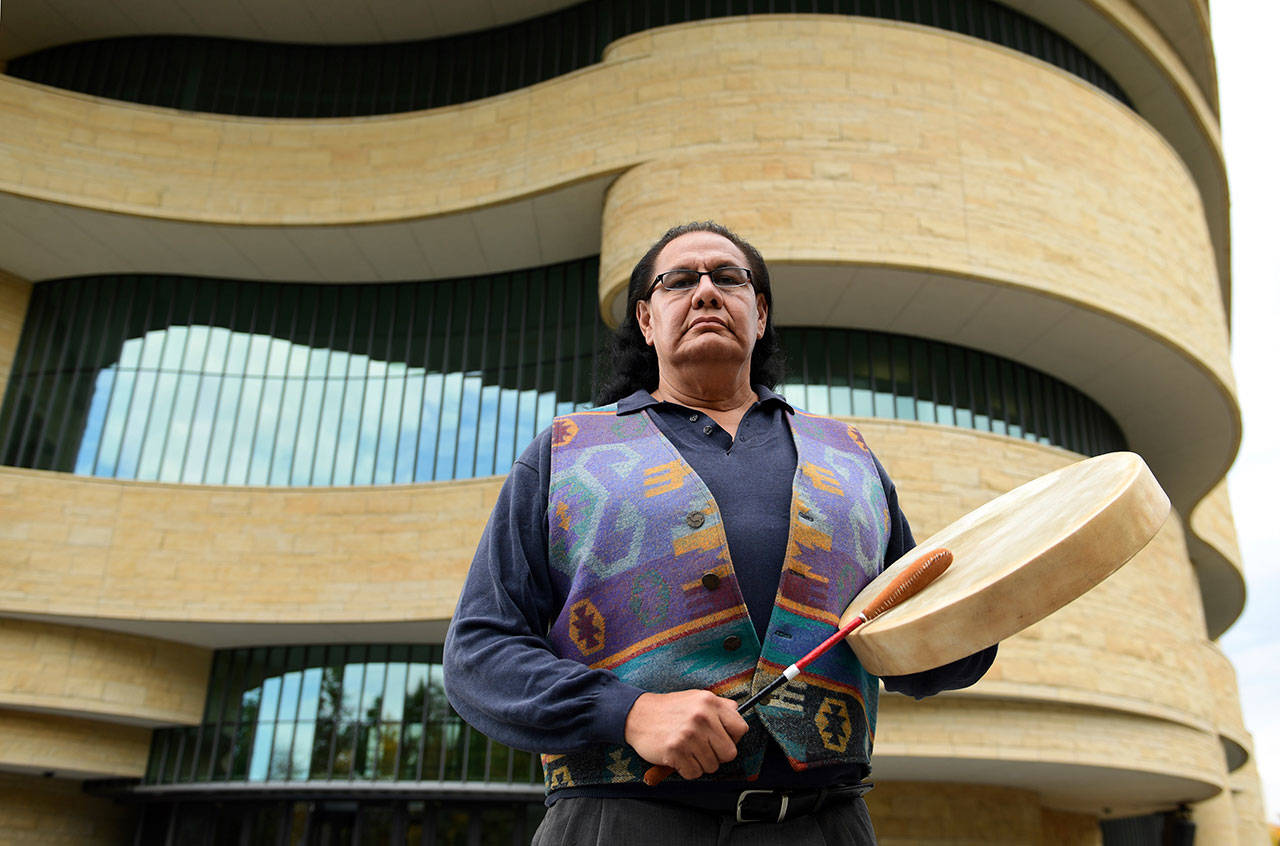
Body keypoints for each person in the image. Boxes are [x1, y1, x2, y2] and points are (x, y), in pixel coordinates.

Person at [443, 221, 996, 845]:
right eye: (679, 281)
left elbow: (920, 654)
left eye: (729, 278)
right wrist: (629, 713)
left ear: (759, 314)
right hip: (618, 822)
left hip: (828, 826)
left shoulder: (851, 457)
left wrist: (1005, 595)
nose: (706, 291)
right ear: (646, 321)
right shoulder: (564, 451)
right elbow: (477, 654)